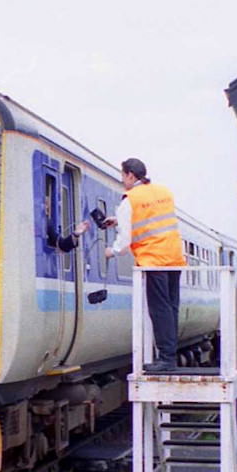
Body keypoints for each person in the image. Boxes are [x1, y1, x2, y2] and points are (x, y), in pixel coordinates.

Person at [104, 158, 186, 372]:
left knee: (159, 310)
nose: (122, 181)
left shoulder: (129, 200)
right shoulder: (164, 192)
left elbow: (124, 243)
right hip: (174, 256)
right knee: (171, 308)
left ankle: (166, 360)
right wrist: (118, 218)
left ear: (131, 175)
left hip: (153, 259)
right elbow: (152, 218)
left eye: (123, 176)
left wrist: (110, 251)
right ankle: (170, 356)